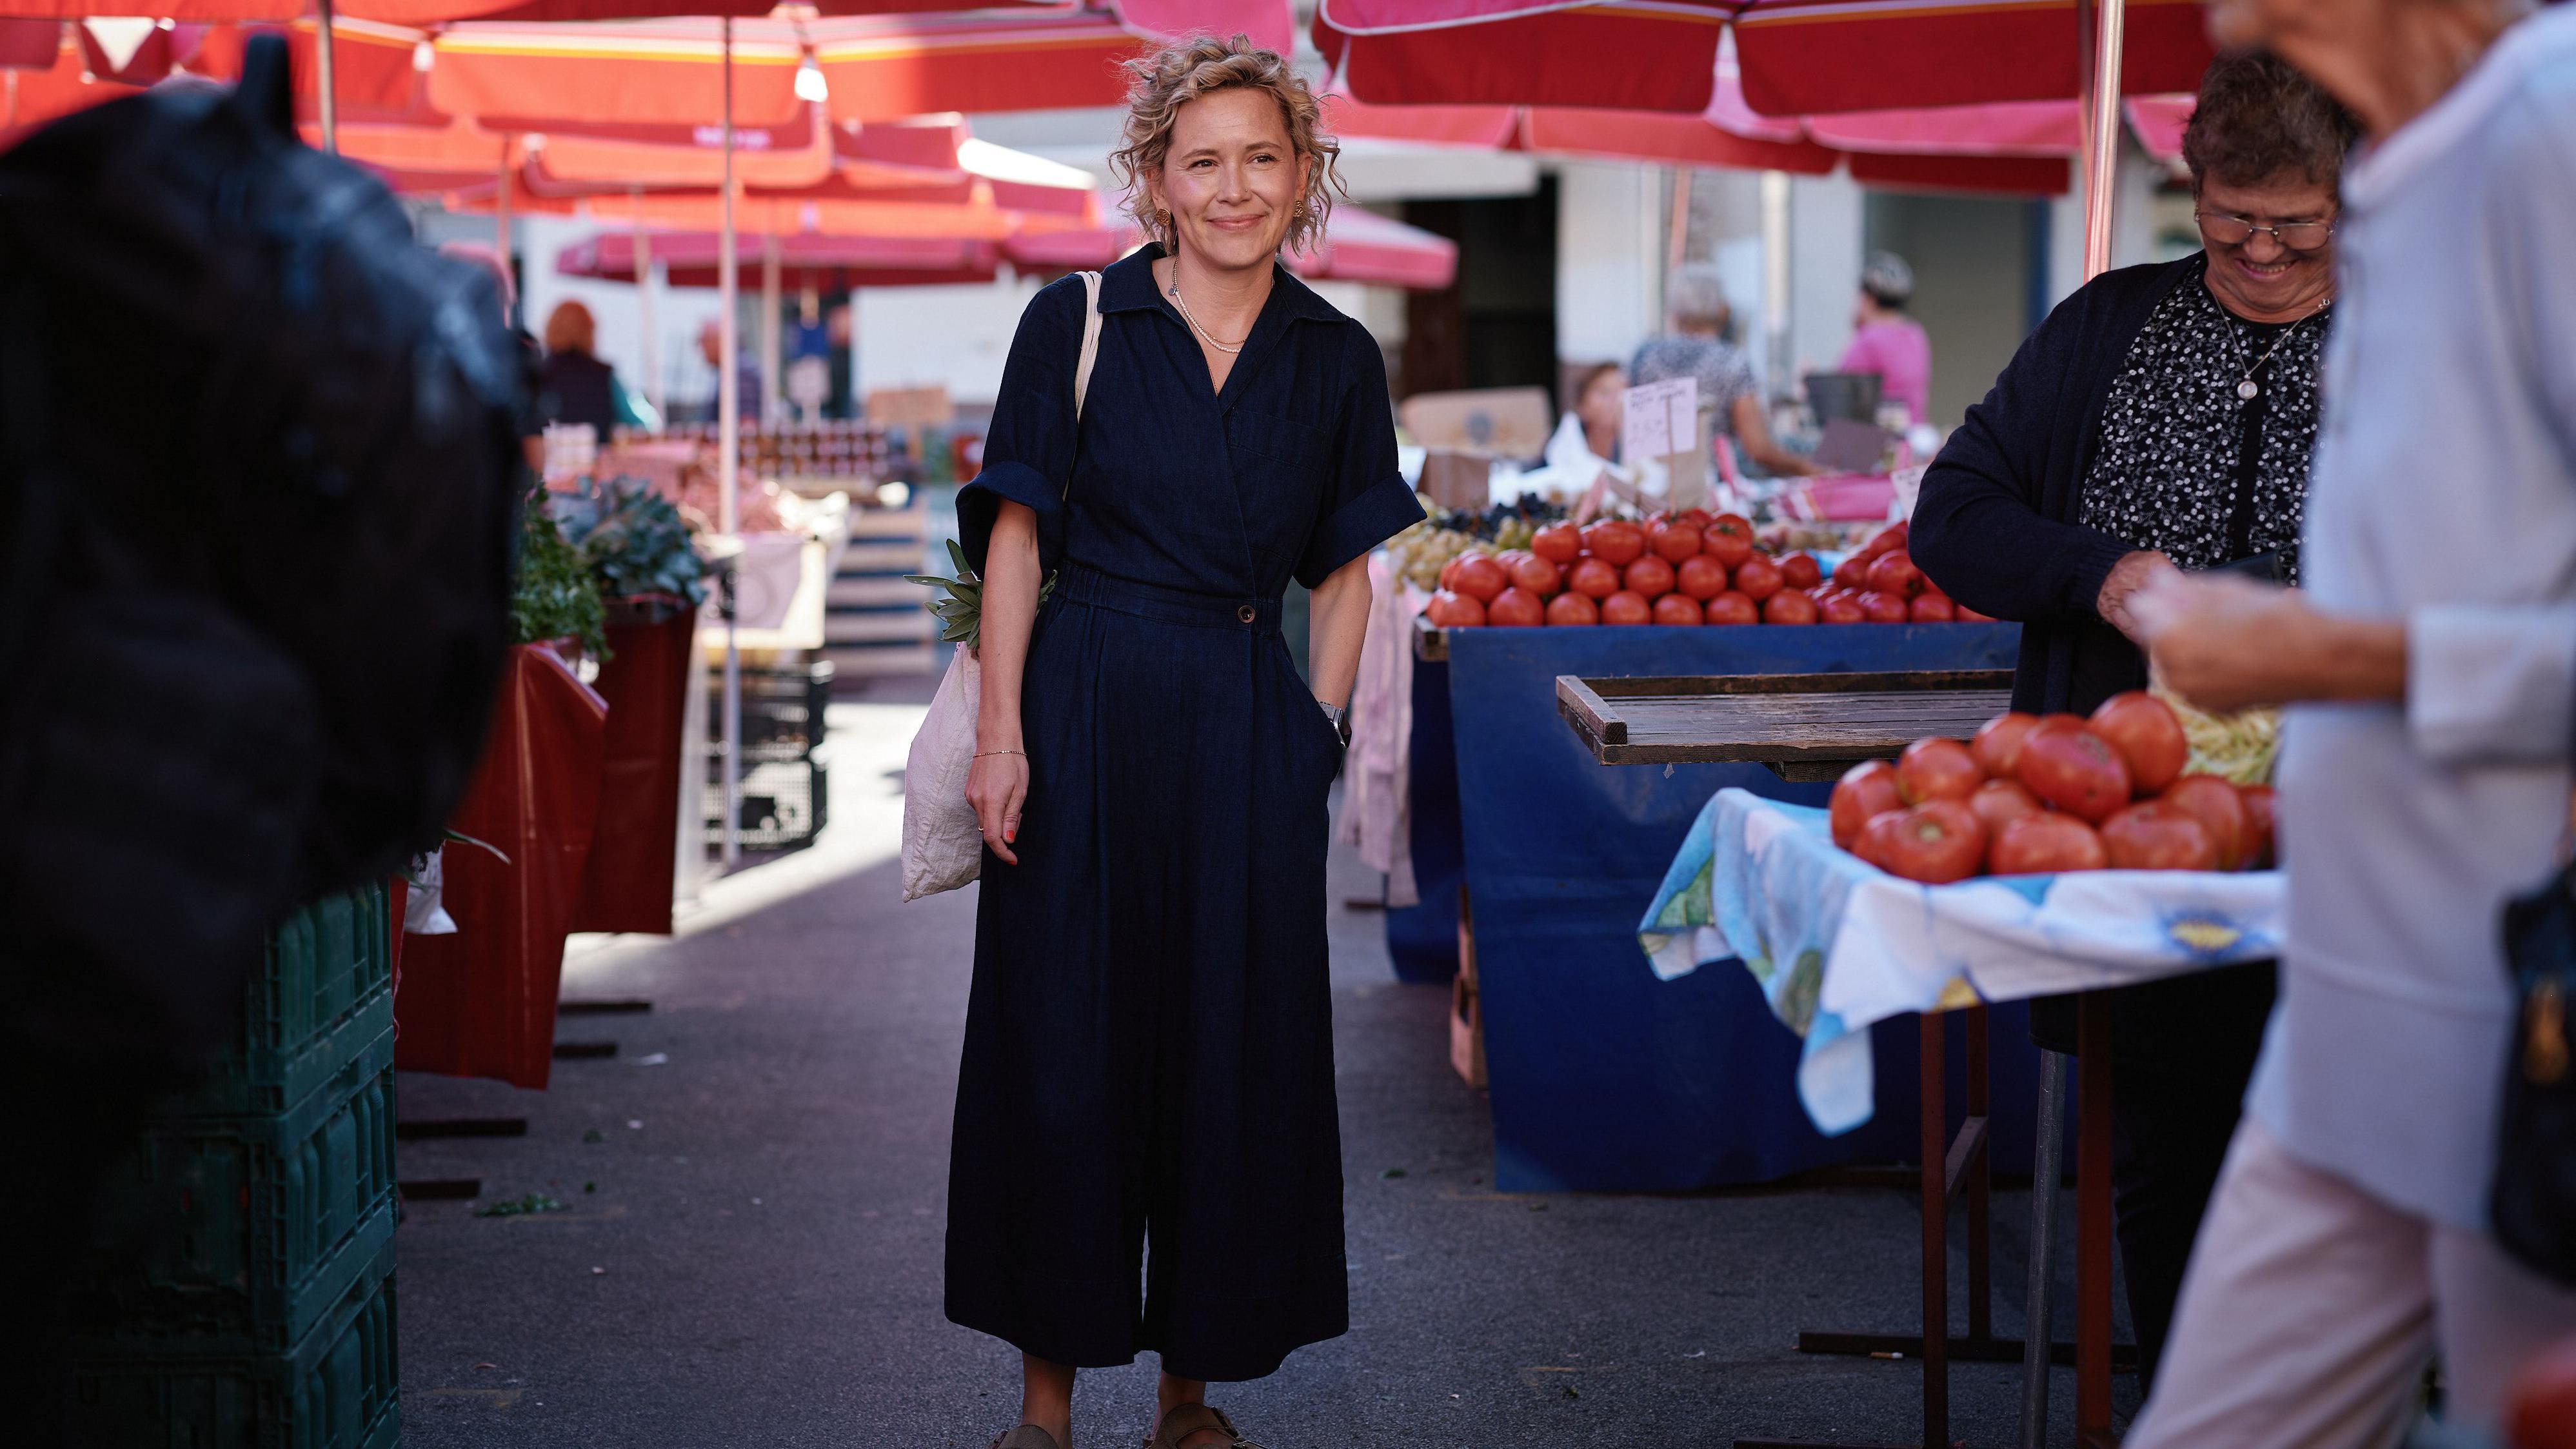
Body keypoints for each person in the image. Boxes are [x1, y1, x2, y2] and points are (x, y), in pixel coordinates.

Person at [946, 35, 1422, 1449]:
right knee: (1061, 1047)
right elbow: (1017, 536)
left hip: (1241, 719)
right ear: (1154, 178)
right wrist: (1000, 735)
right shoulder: (1077, 319)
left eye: (1260, 158)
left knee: (1229, 1052)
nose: (1232, 188)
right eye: (1201, 161)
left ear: (1302, 172)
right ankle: (1043, 1410)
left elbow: (1349, 567)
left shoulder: (1335, 355)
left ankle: (1187, 1399)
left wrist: (1312, 735)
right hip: (1081, 707)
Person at [2117, 0, 2576, 1441]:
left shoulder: (2549, 123)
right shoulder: (2407, 167)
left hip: (2529, 1025)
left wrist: (2328, 654)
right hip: (2356, 1018)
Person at [1907, 52, 2357, 1390]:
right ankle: (2184, 1400)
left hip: (2356, 825)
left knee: (2354, 1154)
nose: (2259, 252)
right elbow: (1953, 514)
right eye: (2230, 220)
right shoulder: (2106, 326)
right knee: (2161, 1147)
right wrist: (2093, 569)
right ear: (2190, 188)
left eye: (2296, 226)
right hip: (2137, 824)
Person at [1629, 267, 1816, 477]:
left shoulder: (1644, 356)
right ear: (1723, 311)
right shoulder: (1731, 362)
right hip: (1707, 484)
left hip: (1648, 481)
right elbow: (1758, 449)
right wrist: (1806, 468)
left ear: (1675, 312)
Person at [1836, 252, 1932, 425]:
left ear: (1869, 298)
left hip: (1881, 435)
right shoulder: (1915, 334)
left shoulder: (1869, 340)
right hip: (1916, 431)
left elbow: (1844, 397)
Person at [537, 300, 655, 438]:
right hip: (597, 450)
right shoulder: (604, 375)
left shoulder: (540, 374)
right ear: (590, 331)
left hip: (551, 450)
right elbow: (636, 421)